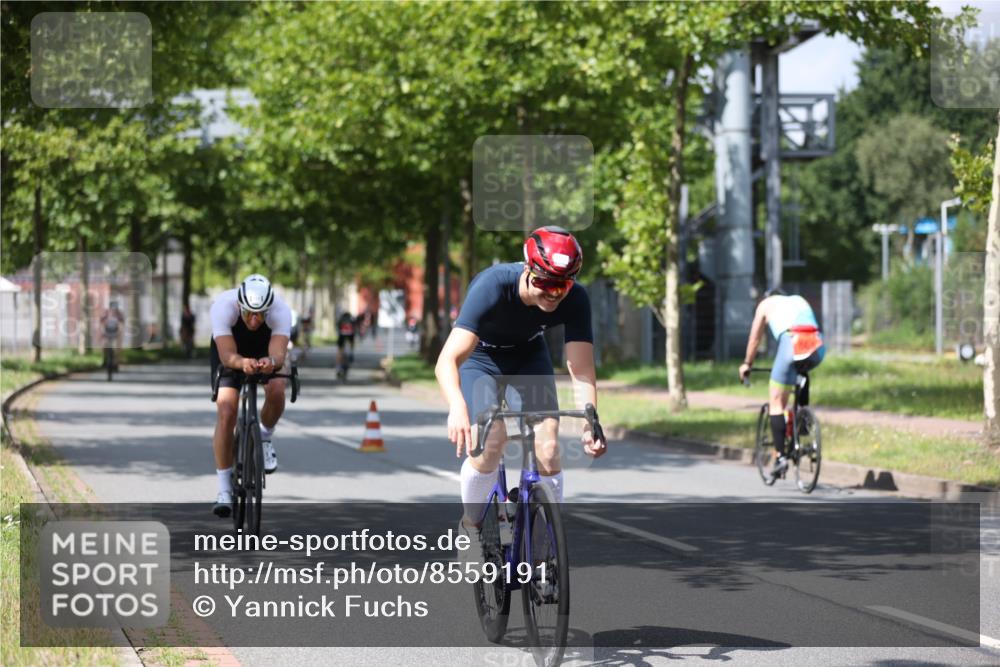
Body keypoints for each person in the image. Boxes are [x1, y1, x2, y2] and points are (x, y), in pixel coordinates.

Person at [435, 226, 607, 542]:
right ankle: (470, 527)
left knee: (549, 444)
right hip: (481, 357)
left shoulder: (576, 299)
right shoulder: (493, 286)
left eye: (563, 286)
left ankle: (543, 549)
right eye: (545, 284)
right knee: (492, 436)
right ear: (528, 269)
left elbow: (580, 369)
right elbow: (447, 360)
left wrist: (589, 422)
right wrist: (457, 406)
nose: (553, 294)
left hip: (528, 356)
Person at [209, 274, 293, 517]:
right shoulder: (223, 307)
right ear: (240, 306)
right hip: (232, 349)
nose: (254, 320)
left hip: (264, 347)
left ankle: (264, 437)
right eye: (249, 314)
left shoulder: (280, 311)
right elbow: (226, 356)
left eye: (260, 314)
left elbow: (278, 353)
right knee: (226, 411)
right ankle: (224, 488)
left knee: (277, 389)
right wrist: (242, 362)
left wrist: (272, 361)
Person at [738, 288, 826, 478]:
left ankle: (780, 458)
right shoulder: (798, 299)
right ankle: (802, 418)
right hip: (816, 344)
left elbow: (754, 339)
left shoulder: (765, 304)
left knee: (776, 402)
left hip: (792, 341)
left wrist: (747, 364)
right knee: (801, 372)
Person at [100, 301, 125, 369]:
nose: (113, 310)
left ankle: (116, 362)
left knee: (118, 346)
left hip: (116, 332)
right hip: (107, 332)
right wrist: (102, 332)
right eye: (112, 308)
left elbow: (121, 325)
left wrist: (120, 333)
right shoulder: (106, 314)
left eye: (115, 309)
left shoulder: (119, 315)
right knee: (104, 344)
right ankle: (104, 359)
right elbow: (101, 324)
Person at [336, 310, 356, 375]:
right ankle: (351, 353)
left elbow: (338, 328)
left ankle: (338, 367)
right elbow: (354, 329)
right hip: (350, 336)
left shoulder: (341, 320)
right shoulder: (352, 321)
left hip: (342, 336)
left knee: (340, 351)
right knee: (351, 344)